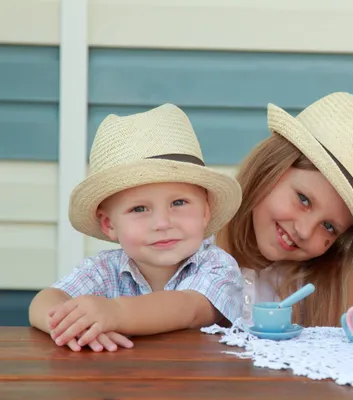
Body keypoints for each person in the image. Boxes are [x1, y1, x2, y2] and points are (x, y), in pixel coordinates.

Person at [29, 103, 244, 351]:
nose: (163, 223)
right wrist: (73, 326)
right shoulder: (104, 269)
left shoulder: (217, 265)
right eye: (139, 209)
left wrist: (115, 312)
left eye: (178, 202)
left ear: (205, 212)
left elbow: (189, 309)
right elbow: (44, 301)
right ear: (109, 224)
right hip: (125, 384)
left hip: (202, 384)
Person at [216, 92, 353, 327]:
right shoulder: (193, 253)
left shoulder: (320, 292)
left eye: (329, 227)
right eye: (304, 200)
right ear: (269, 168)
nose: (304, 231)